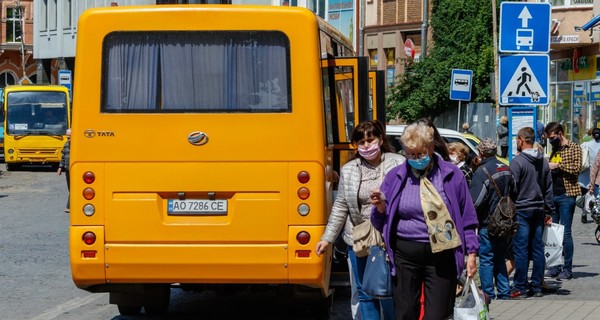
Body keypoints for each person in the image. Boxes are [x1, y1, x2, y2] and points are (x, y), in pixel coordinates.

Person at [370, 122, 479, 319]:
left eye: (420, 153)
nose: (415, 158)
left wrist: (471, 253)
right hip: (405, 254)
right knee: (405, 313)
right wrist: (379, 207)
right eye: (410, 154)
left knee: (437, 314)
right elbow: (379, 221)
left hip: (443, 254)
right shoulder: (396, 176)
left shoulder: (451, 175)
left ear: (430, 148)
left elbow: (467, 218)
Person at [315, 120, 405, 320]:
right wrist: (327, 238)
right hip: (359, 239)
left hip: (389, 238)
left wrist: (384, 200)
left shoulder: (397, 163)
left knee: (388, 291)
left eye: (370, 140)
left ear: (380, 140)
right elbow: (341, 207)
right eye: (361, 142)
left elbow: (407, 198)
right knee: (365, 292)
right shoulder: (349, 169)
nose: (366, 146)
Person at [509, 127, 554, 298]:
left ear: (521, 140)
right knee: (537, 248)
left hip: (522, 208)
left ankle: (520, 286)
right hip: (539, 209)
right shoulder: (542, 161)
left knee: (521, 250)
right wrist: (549, 210)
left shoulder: (517, 162)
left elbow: (512, 188)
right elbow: (548, 188)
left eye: (516, 140)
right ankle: (537, 287)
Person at [470, 138, 514, 300]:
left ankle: (488, 294)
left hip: (488, 222)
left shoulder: (481, 172)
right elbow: (514, 191)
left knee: (487, 259)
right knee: (500, 258)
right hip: (505, 220)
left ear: (481, 152)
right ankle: (504, 292)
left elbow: (476, 201)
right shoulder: (506, 167)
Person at [544, 122, 581, 281]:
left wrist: (557, 165)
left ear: (559, 133)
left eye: (552, 137)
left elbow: (576, 168)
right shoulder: (554, 149)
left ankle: (567, 269)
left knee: (565, 234)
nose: (550, 140)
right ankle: (554, 266)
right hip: (554, 195)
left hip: (567, 195)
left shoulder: (573, 147)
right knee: (553, 234)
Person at [581, 128, 600, 222]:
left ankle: (584, 211)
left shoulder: (586, 144)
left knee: (586, 194)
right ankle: (595, 212)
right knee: (597, 198)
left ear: (591, 135)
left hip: (587, 172)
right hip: (597, 176)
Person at [57, 128, 71, 213]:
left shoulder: (77, 145)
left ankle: (69, 206)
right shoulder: (66, 144)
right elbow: (63, 157)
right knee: (70, 188)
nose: (67, 136)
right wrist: (60, 167)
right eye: (67, 135)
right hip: (67, 169)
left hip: (74, 170)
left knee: (73, 189)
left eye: (69, 135)